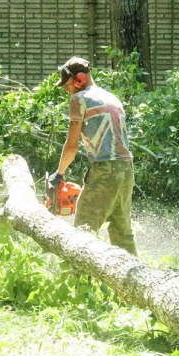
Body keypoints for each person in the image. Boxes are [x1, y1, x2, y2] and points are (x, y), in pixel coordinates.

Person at [48, 56, 138, 256]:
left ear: (79, 79)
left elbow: (71, 147)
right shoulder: (112, 97)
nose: (66, 89)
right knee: (123, 234)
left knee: (83, 231)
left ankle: (80, 283)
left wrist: (59, 174)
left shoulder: (79, 99)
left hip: (105, 171)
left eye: (68, 84)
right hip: (126, 170)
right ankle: (134, 282)